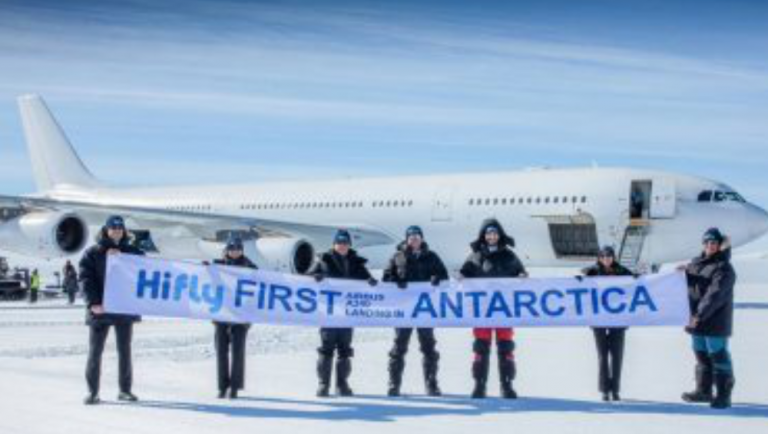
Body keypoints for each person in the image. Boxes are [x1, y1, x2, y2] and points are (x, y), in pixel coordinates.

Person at [79, 215, 144, 405]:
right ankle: (93, 392)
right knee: (95, 351)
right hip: (101, 309)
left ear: (124, 230)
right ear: (106, 230)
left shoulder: (132, 252)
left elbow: (149, 269)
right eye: (113, 227)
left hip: (123, 308)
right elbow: (85, 279)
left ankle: (125, 390)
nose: (116, 230)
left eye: (120, 227)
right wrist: (93, 303)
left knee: (125, 351)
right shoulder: (93, 253)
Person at [460, 218, 527, 399]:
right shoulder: (475, 256)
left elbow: (521, 272)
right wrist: (460, 276)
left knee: (506, 347)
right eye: (489, 233)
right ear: (484, 235)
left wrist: (522, 275)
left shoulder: (509, 255)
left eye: (495, 233)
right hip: (482, 310)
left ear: (499, 235)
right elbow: (464, 273)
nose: (492, 236)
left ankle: (507, 385)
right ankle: (479, 385)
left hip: (504, 309)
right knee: (481, 347)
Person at [307, 229, 377, 397]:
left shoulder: (357, 263)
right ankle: (323, 384)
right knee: (326, 349)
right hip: (329, 313)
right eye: (339, 242)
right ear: (334, 244)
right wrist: (314, 277)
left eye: (345, 243)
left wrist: (371, 281)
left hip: (347, 313)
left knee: (345, 349)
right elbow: (306, 279)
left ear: (349, 245)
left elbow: (368, 280)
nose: (342, 246)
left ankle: (342, 384)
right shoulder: (323, 260)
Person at [382, 225, 449, 397]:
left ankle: (431, 383)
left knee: (429, 348)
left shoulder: (432, 256)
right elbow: (386, 278)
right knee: (399, 347)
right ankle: (393, 384)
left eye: (417, 236)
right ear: (406, 239)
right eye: (411, 237)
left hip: (425, 310)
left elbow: (444, 277)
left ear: (421, 239)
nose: (414, 239)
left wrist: (437, 279)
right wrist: (396, 281)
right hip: (403, 310)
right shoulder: (397, 257)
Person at [680, 228, 737, 409]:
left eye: (714, 243)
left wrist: (699, 315)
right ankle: (703, 391)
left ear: (719, 245)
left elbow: (715, 295)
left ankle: (723, 395)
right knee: (701, 355)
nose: (710, 246)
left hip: (714, 321)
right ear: (703, 244)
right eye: (707, 243)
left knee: (718, 355)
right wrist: (683, 273)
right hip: (696, 321)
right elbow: (692, 287)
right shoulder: (696, 264)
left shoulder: (724, 268)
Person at [581, 246, 634, 402]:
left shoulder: (623, 271)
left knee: (617, 355)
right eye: (603, 256)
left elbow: (636, 286)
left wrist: (638, 278)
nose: (606, 259)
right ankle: (605, 389)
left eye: (609, 256)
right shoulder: (592, 271)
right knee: (602, 356)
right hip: (598, 320)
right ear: (599, 258)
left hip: (618, 319)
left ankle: (615, 389)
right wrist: (580, 279)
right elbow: (581, 285)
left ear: (613, 257)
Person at [211, 237, 257, 399]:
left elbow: (257, 290)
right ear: (227, 250)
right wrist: (204, 269)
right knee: (221, 352)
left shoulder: (251, 267)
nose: (235, 251)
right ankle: (222, 386)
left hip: (240, 316)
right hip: (222, 315)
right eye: (232, 248)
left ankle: (235, 387)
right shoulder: (217, 265)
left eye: (238, 248)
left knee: (238, 352)